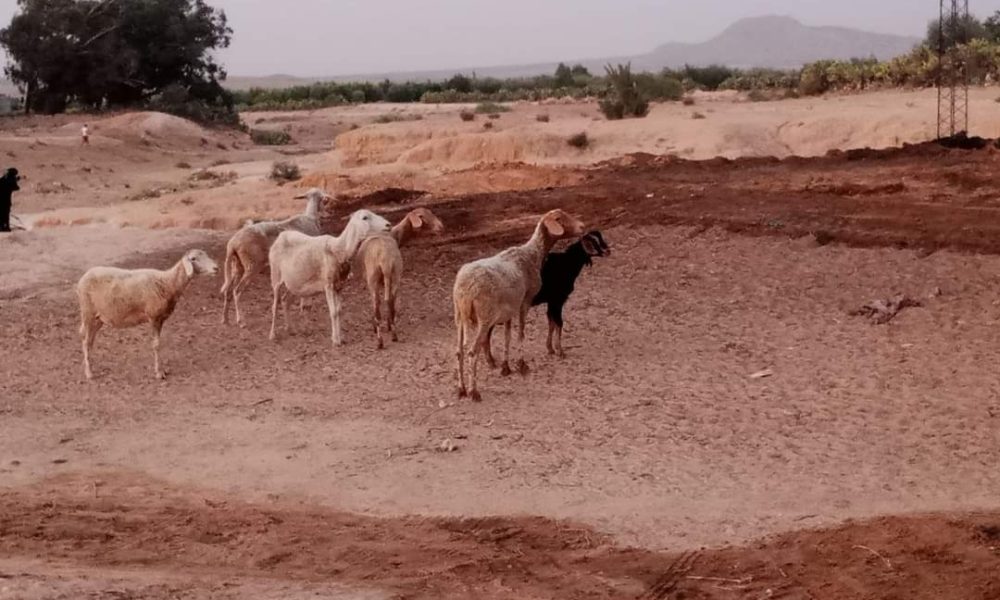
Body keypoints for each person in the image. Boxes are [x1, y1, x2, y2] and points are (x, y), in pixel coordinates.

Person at [0, 167, 20, 233]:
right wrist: (15, 181)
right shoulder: (10, 180)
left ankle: (2, 226)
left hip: (1, 200)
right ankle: (6, 227)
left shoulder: (3, 179)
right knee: (6, 214)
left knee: (1, 214)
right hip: (6, 201)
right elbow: (16, 188)